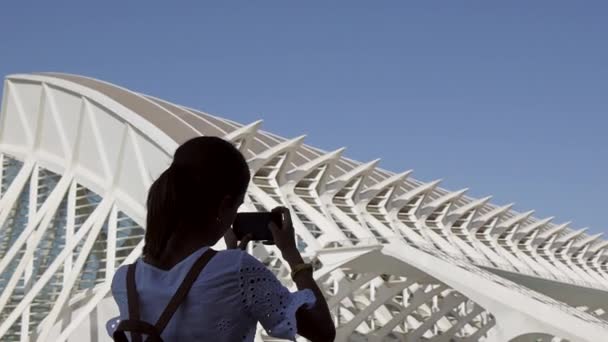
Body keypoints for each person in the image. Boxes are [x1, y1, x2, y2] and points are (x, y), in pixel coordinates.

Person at [107, 136, 335, 342]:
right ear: (224, 206)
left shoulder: (125, 280)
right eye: (236, 205)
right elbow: (323, 331)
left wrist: (231, 258)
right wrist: (292, 256)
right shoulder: (238, 269)